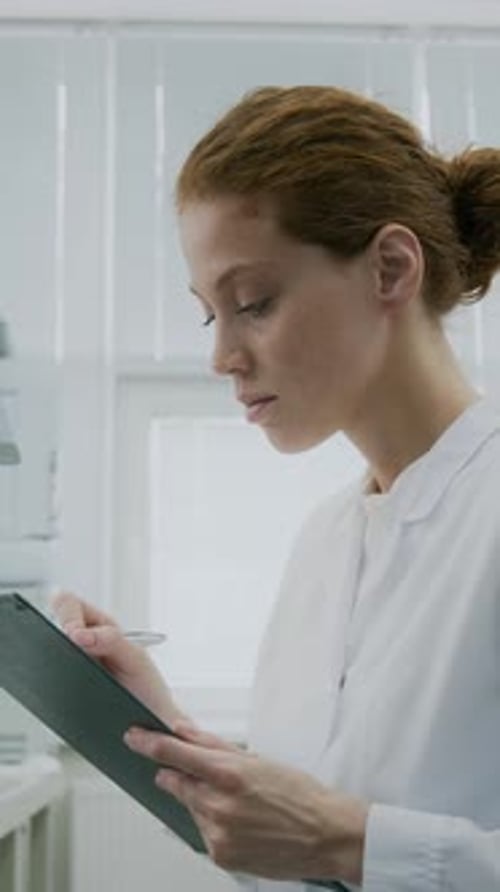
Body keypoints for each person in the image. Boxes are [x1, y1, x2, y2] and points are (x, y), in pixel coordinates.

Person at [52, 85, 500, 891]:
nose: (221, 355)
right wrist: (167, 732)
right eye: (208, 316)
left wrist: (357, 845)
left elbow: (342, 841)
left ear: (391, 268)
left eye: (253, 303)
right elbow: (301, 846)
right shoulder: (327, 543)